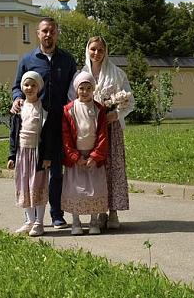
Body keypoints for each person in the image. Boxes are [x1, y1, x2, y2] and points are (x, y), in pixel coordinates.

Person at [11, 17, 77, 228]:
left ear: (57, 33)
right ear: (37, 34)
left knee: (56, 171)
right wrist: (16, 99)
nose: (48, 35)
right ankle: (31, 218)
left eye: (52, 31)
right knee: (32, 173)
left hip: (58, 123)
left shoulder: (67, 60)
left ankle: (56, 214)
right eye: (44, 31)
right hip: (33, 125)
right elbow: (17, 87)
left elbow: (73, 89)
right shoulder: (28, 59)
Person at [81, 36, 133, 230]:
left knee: (113, 167)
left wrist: (117, 113)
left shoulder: (117, 74)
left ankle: (113, 212)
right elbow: (74, 99)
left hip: (111, 129)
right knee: (96, 168)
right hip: (90, 129)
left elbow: (129, 100)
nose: (96, 53)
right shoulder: (82, 73)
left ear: (106, 51)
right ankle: (99, 210)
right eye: (93, 49)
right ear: (88, 50)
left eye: (100, 50)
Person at [61, 71, 109, 235]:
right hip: (76, 158)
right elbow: (66, 136)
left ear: (93, 89)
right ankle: (76, 222)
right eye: (82, 88)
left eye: (89, 88)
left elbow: (102, 135)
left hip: (93, 158)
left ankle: (94, 221)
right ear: (76, 89)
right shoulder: (69, 110)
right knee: (76, 190)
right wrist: (75, 157)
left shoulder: (99, 109)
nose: (85, 91)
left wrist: (95, 156)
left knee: (95, 189)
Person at [7, 71, 52, 237]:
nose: (30, 88)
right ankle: (29, 220)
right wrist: (12, 156)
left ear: (39, 87)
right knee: (24, 186)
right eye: (26, 85)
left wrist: (47, 156)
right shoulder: (18, 109)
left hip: (38, 155)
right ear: (22, 87)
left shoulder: (43, 109)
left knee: (38, 186)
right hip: (22, 154)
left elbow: (48, 135)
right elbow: (13, 135)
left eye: (33, 85)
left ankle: (39, 222)